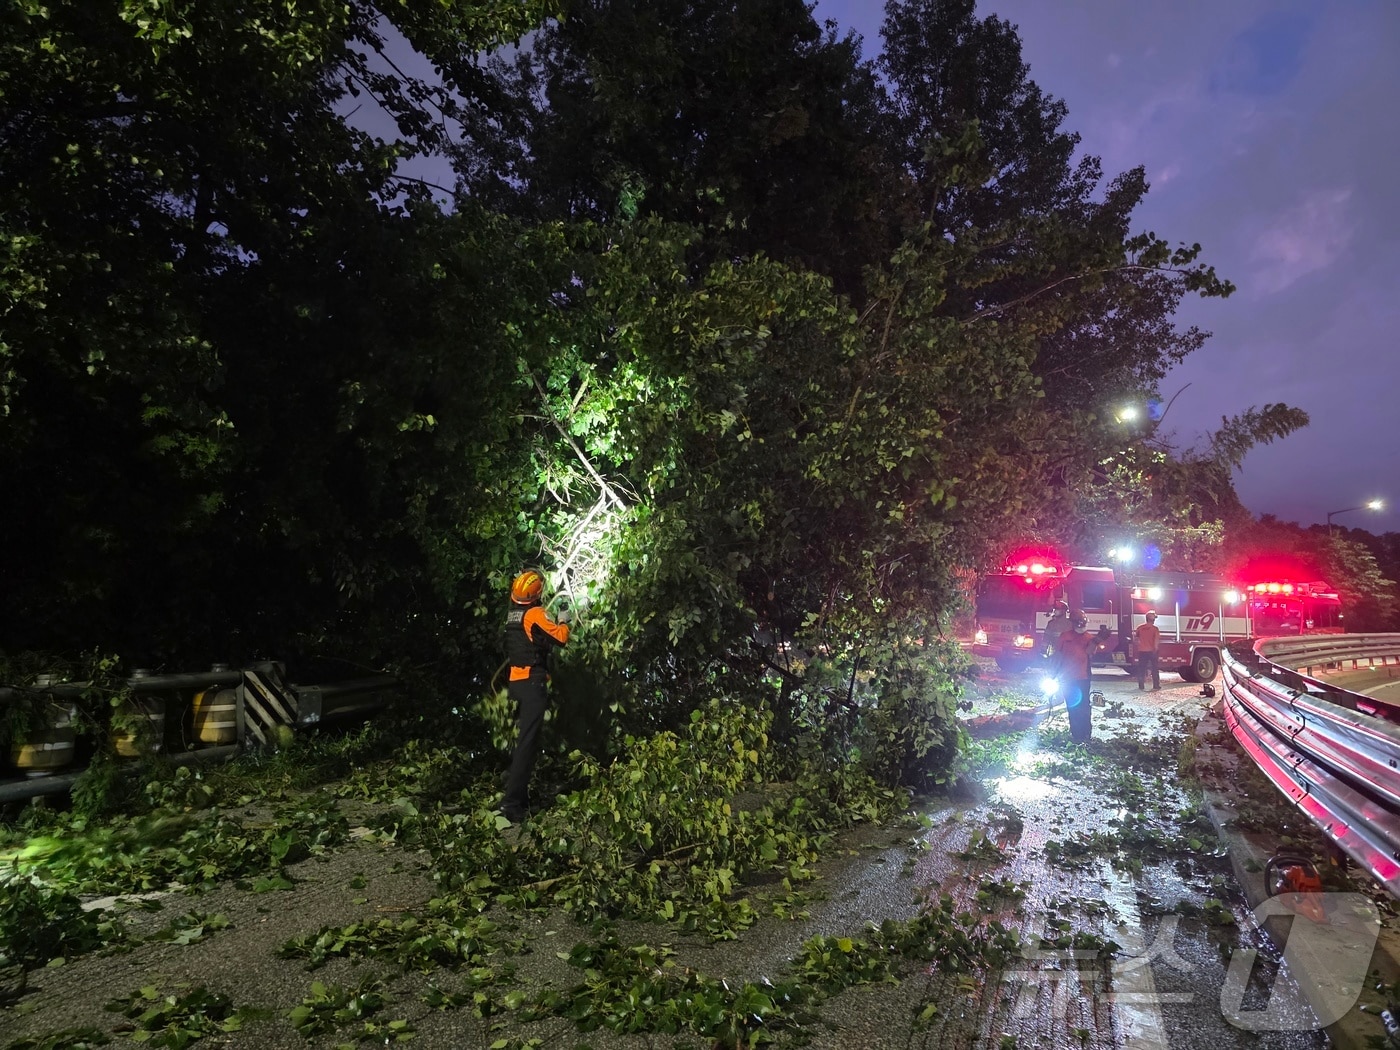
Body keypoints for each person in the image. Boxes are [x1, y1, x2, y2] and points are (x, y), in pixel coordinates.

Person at [500, 568, 570, 823]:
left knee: (524, 743)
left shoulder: (513, 614)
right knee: (527, 746)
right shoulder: (536, 613)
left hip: (516, 684)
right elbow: (561, 638)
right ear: (537, 593)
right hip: (532, 685)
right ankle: (511, 803)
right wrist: (564, 617)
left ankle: (520, 798)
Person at [1053, 613, 1113, 743]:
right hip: (1067, 678)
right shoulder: (1065, 636)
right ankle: (1076, 735)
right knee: (1072, 707)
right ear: (1073, 624)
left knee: (1084, 706)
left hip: (1082, 678)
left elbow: (1090, 652)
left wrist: (1097, 640)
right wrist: (1053, 672)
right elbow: (1057, 656)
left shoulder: (1088, 638)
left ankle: (1086, 735)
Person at [1135, 610, 1162, 691]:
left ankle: (1141, 685)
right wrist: (1156, 649)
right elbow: (1156, 641)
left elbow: (1136, 638)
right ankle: (1156, 685)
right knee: (1154, 668)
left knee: (1141, 668)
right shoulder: (1155, 629)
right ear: (1152, 620)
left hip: (1142, 651)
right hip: (1152, 651)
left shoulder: (1140, 628)